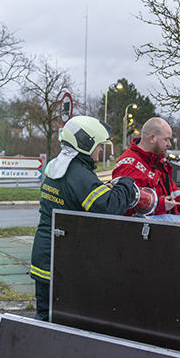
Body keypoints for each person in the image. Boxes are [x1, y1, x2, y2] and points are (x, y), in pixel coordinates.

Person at [30, 116, 141, 321]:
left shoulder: (59, 165)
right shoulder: (78, 173)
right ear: (86, 142)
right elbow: (109, 207)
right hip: (62, 262)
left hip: (46, 255)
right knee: (65, 322)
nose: (100, 150)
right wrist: (126, 183)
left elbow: (82, 200)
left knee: (45, 319)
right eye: (99, 145)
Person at [112, 117, 180, 217]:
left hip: (163, 224)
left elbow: (169, 185)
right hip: (144, 229)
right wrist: (159, 205)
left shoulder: (157, 158)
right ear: (152, 138)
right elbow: (125, 206)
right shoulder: (128, 166)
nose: (169, 144)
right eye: (166, 139)